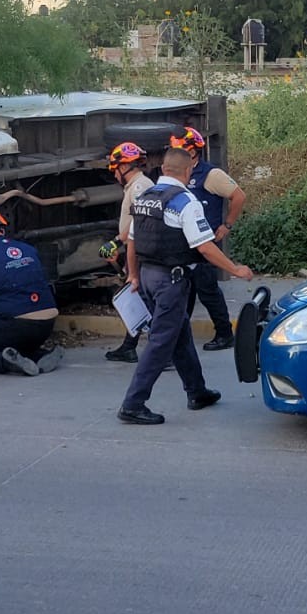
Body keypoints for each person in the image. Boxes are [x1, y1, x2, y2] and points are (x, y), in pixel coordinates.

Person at [118, 148, 254, 425]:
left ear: (163, 169)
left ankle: (197, 391)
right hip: (170, 281)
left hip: (147, 277)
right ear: (188, 171)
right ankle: (133, 404)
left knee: (180, 334)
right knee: (160, 342)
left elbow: (132, 241)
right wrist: (235, 269)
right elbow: (204, 247)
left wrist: (133, 275)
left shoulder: (145, 198)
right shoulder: (185, 201)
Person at [168, 126, 246, 351]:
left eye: (180, 150)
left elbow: (238, 196)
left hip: (205, 241)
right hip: (184, 242)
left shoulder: (211, 175)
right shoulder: (178, 175)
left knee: (207, 290)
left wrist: (227, 225)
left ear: (193, 152)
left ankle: (224, 333)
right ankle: (179, 337)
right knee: (185, 291)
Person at [0, 208, 62, 376]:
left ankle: (6, 363)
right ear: (2, 228)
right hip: (47, 322)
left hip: (13, 323)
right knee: (19, 345)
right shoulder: (29, 250)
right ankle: (43, 355)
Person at [104, 142, 153, 363]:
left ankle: (163, 352)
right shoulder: (135, 186)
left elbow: (138, 221)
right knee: (138, 300)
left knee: (144, 300)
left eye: (115, 170)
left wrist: (116, 242)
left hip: (141, 251)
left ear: (124, 167)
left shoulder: (140, 186)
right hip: (136, 249)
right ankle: (129, 347)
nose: (115, 175)